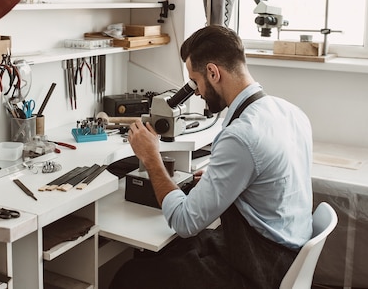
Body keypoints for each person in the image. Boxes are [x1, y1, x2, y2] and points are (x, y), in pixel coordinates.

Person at [109, 25, 313, 289]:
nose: (196, 92)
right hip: (289, 253)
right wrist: (232, 183)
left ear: (213, 72)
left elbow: (184, 222)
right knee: (171, 253)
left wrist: (151, 159)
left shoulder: (240, 136)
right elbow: (275, 180)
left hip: (261, 268)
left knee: (131, 275)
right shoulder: (289, 111)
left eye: (195, 81)